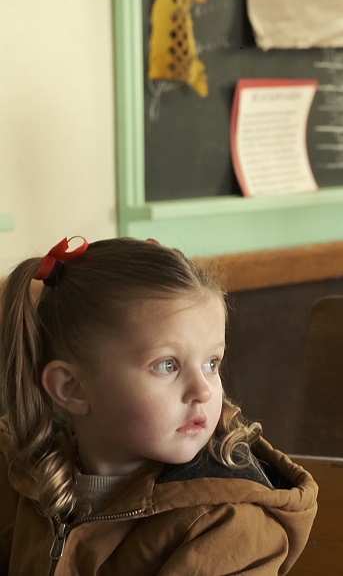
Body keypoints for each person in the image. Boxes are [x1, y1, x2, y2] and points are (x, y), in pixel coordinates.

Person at [0, 236, 317, 575]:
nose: (204, 391)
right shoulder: (21, 476)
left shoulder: (227, 523)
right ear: (72, 388)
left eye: (212, 363)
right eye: (167, 365)